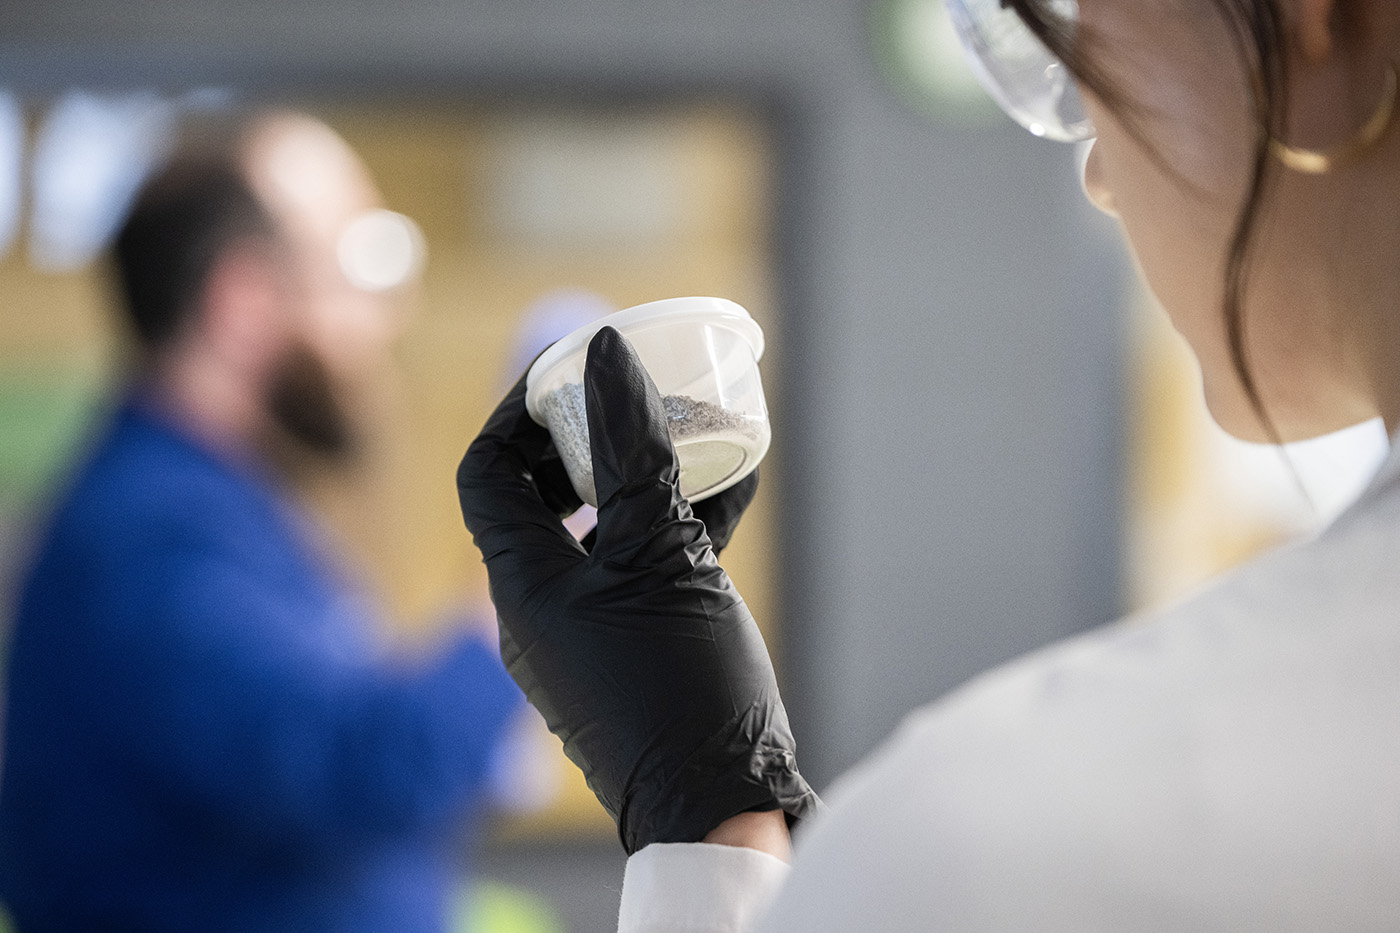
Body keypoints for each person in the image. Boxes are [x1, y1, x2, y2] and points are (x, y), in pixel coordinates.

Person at [456, 0, 1400, 927]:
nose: (1098, 171)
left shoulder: (986, 858)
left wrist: (705, 819)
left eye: (1084, 47)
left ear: (1305, 16)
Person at [0, 110, 525, 931]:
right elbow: (372, 766)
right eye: (359, 261)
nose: (384, 317)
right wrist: (531, 552)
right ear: (241, 300)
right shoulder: (151, 538)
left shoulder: (213, 508)